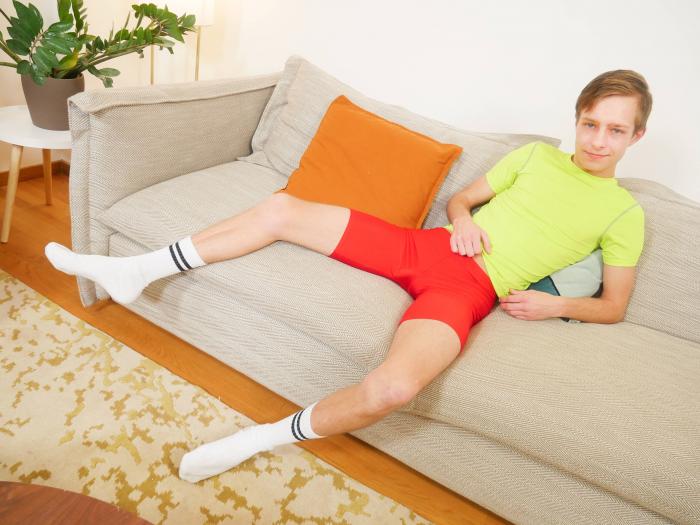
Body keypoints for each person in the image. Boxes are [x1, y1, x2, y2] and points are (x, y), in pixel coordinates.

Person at [44, 69, 652, 483]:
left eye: (616, 130)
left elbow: (614, 306)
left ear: (636, 136)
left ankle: (255, 439)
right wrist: (465, 219)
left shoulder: (624, 213)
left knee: (393, 389)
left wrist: (554, 306)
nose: (599, 140)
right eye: (591, 124)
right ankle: (136, 270)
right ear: (577, 120)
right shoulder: (535, 156)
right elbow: (461, 200)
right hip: (426, 247)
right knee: (282, 209)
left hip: (467, 289)